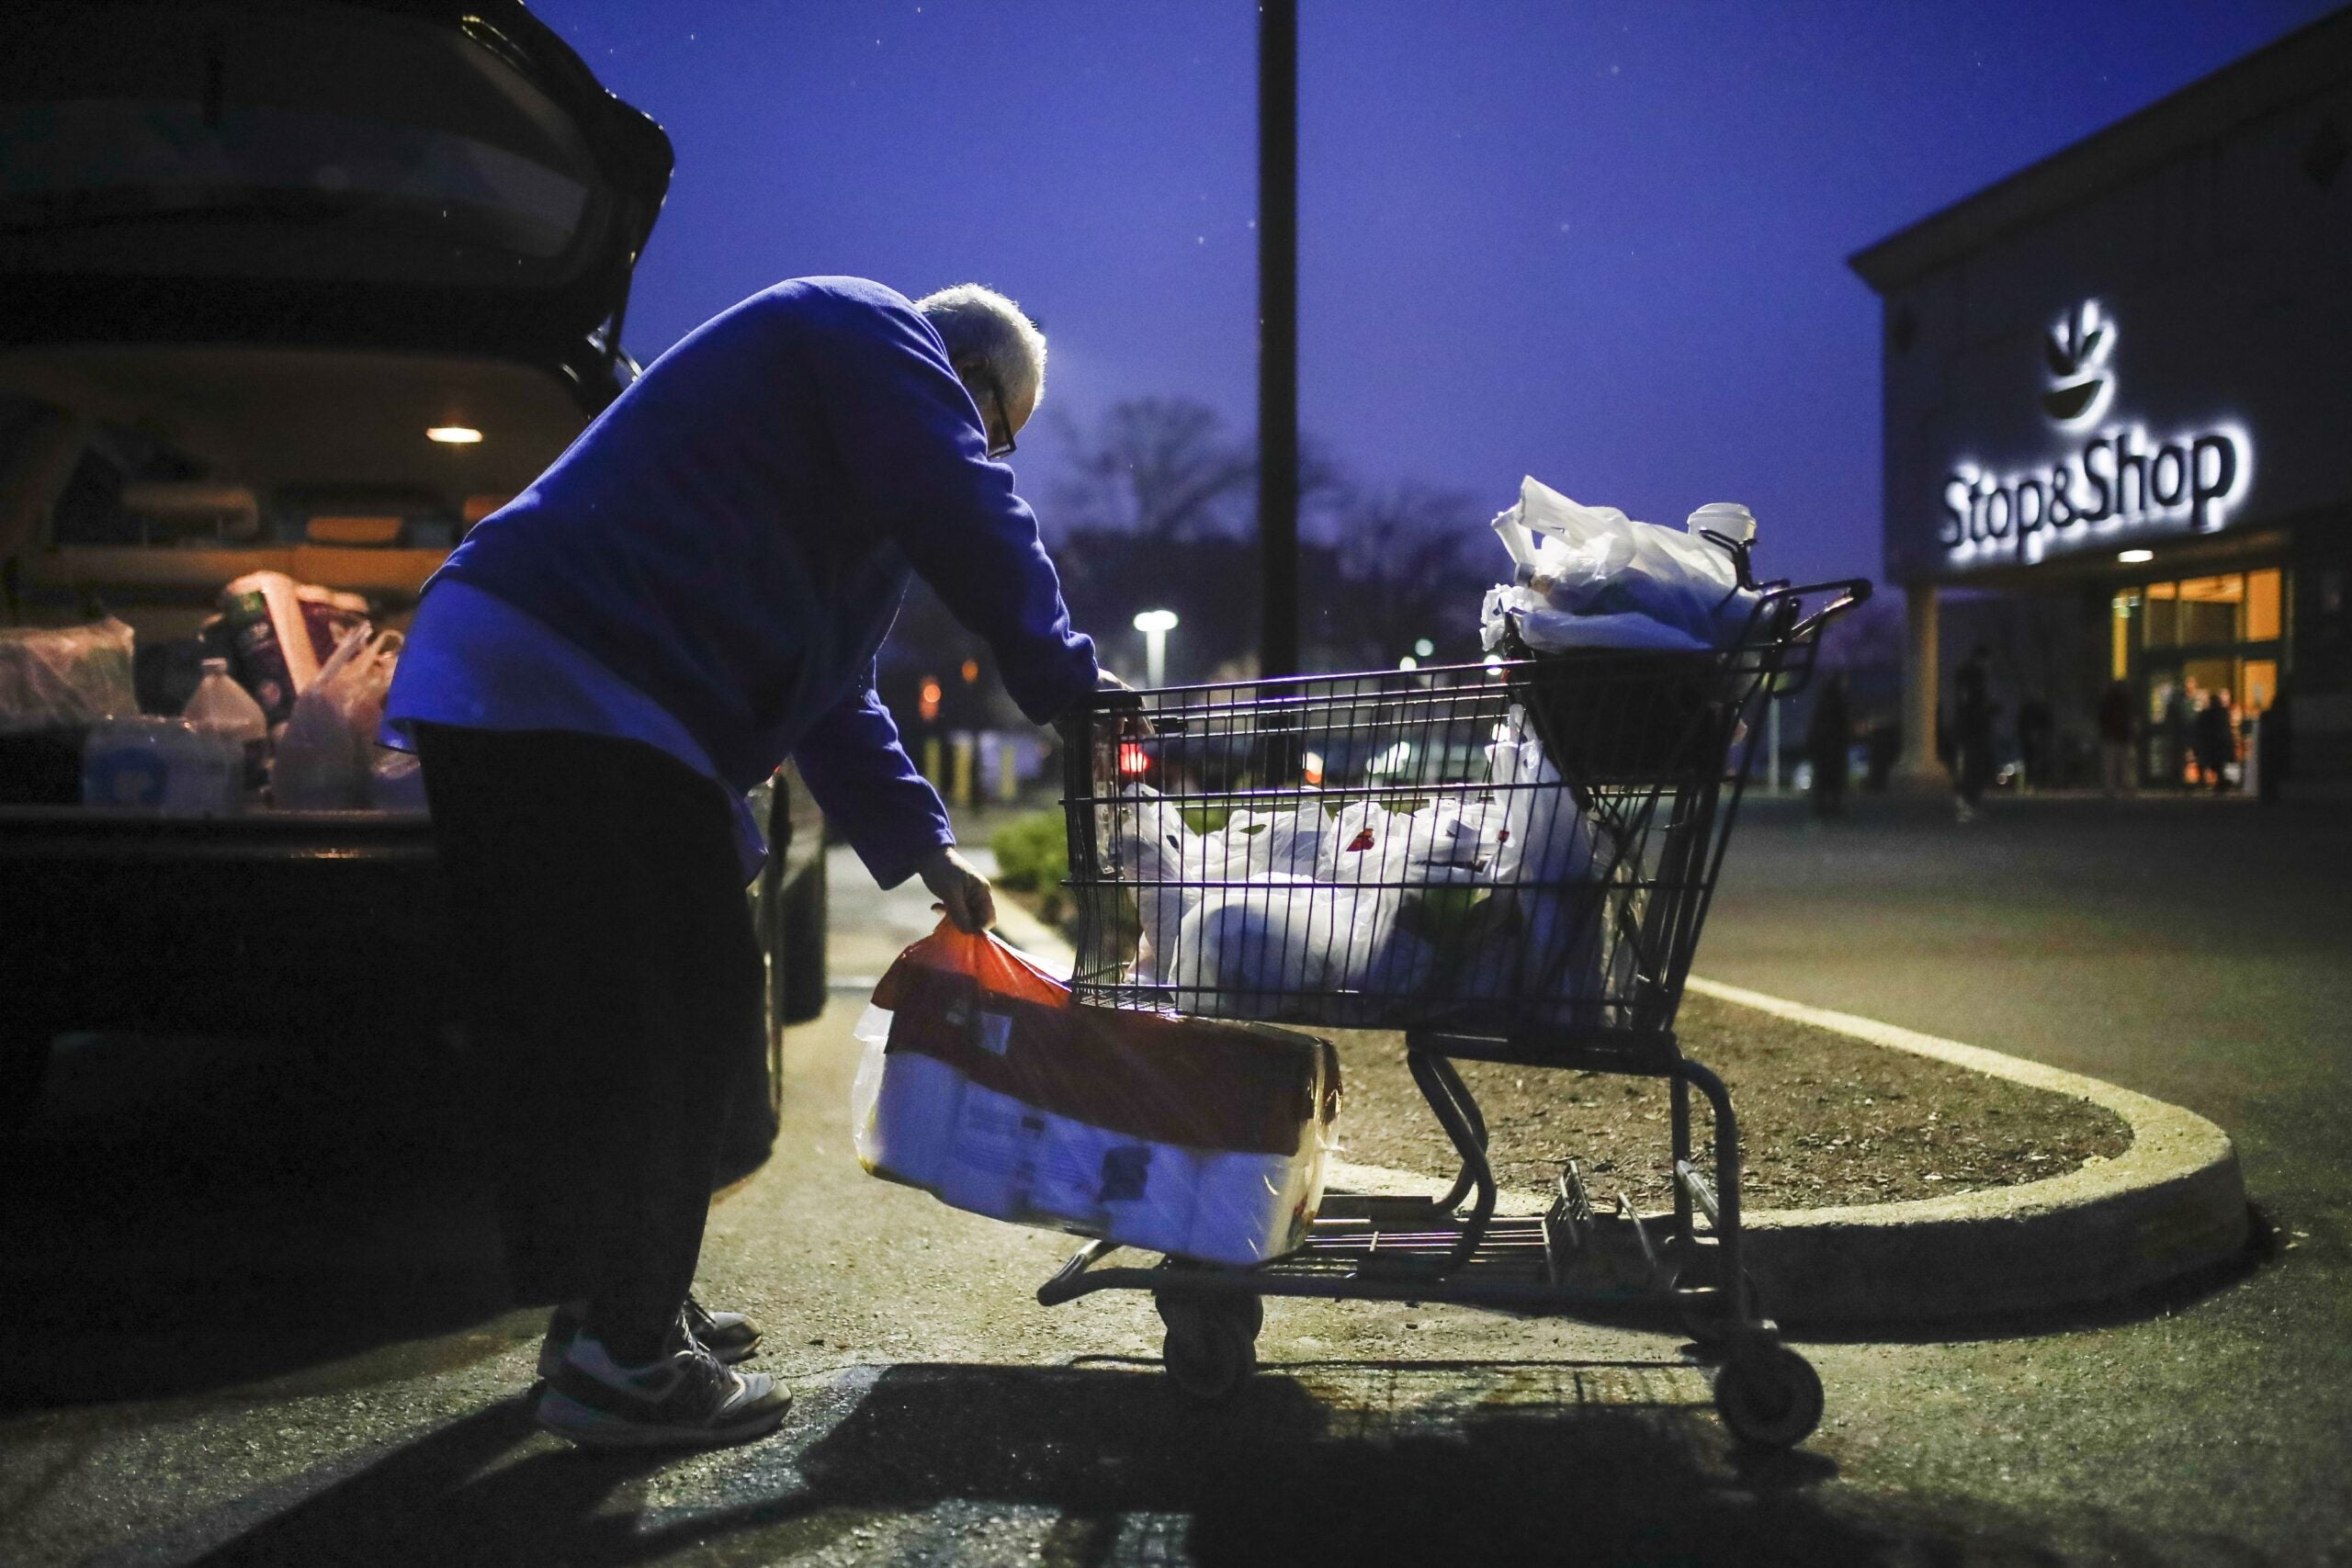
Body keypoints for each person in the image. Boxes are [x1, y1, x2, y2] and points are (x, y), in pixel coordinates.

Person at [382, 278, 1117, 1450]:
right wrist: (1071, 689)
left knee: (610, 1015)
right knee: (690, 1007)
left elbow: (833, 692)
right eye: (996, 432)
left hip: (542, 672)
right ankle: (625, 1357)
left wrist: (927, 850)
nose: (991, 456)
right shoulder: (865, 326)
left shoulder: (824, 468)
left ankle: (609, 1313)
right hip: (578, 676)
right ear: (964, 380)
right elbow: (966, 504)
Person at [1951, 643, 1995, 821]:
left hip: (1968, 726)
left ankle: (1968, 802)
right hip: (1973, 727)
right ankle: (1967, 802)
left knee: (1973, 765)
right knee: (1976, 766)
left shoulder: (1965, 674)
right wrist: (1985, 712)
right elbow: (1970, 702)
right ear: (1983, 659)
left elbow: (1964, 700)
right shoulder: (1974, 676)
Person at [1804, 671, 1850, 817]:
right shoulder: (1838, 705)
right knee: (1833, 779)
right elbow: (1843, 727)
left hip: (1824, 749)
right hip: (1833, 748)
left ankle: (1822, 806)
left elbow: (1816, 728)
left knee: (1823, 779)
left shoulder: (1823, 706)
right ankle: (1831, 806)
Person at [2097, 679, 2135, 797]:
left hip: (2112, 736)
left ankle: (2111, 788)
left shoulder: (2108, 702)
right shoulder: (2125, 702)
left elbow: (2102, 719)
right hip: (2121, 736)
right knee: (2123, 764)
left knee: (2112, 764)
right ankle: (2125, 787)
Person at [2196, 688, 2237, 794]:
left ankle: (2212, 784)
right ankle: (2223, 784)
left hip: (2213, 745)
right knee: (2221, 766)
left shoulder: (2207, 714)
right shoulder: (2224, 712)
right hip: (2224, 743)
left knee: (2214, 765)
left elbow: (2201, 728)